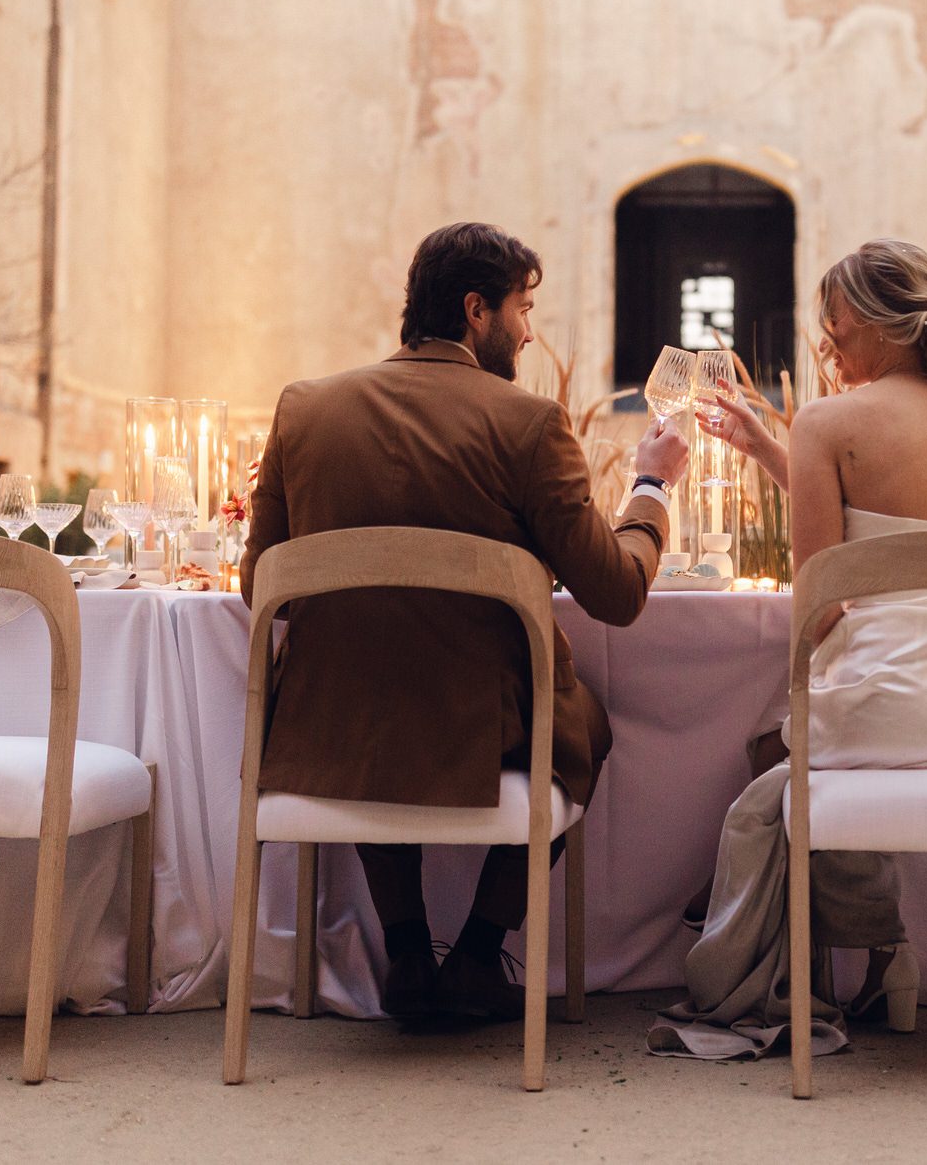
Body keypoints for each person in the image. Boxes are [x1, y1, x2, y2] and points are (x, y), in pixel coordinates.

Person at [241, 221, 689, 1023]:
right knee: (586, 720)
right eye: (523, 308)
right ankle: (481, 951)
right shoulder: (526, 423)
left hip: (328, 725)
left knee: (379, 698)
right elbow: (616, 595)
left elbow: (257, 586)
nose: (529, 330)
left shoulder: (304, 410)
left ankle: (408, 953)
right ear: (477, 311)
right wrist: (651, 490)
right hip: (482, 728)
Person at [648, 238, 927, 1061]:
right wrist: (766, 447)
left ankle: (767, 947)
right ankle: (882, 956)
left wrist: (823, 647)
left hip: (894, 703)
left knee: (777, 760)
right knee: (800, 759)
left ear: (865, 320)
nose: (826, 347)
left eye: (832, 327)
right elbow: (897, 529)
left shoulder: (832, 421)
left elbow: (818, 610)